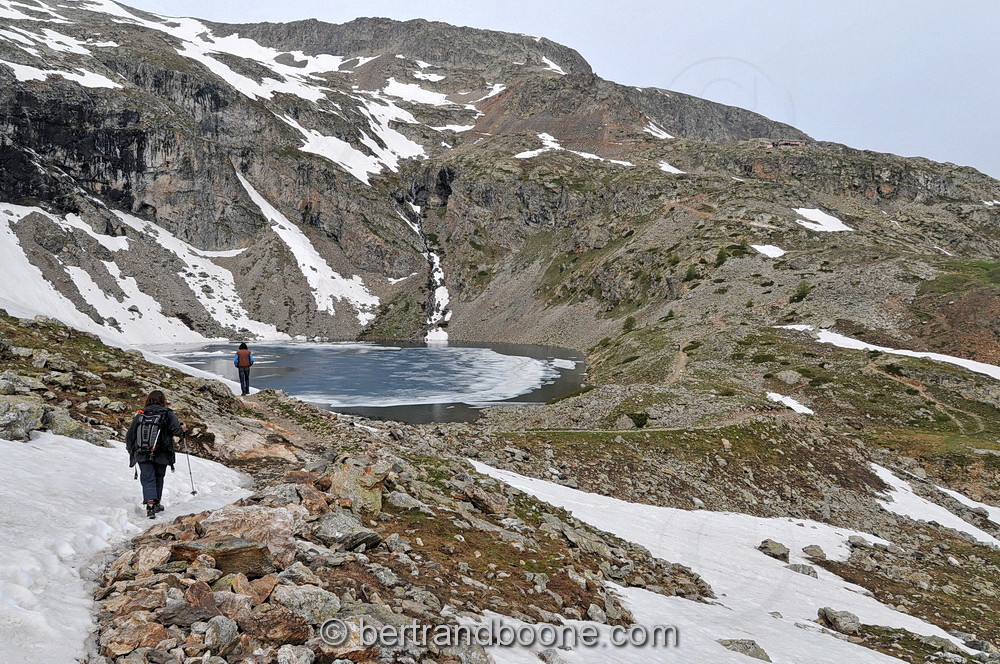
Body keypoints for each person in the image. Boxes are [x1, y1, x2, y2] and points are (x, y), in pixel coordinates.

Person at [125, 390, 185, 519]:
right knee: (158, 477)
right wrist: (183, 428)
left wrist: (131, 450)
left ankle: (150, 504)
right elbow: (176, 431)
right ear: (163, 400)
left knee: (147, 478)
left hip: (142, 452)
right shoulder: (167, 413)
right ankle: (156, 503)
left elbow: (131, 434)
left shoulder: (141, 414)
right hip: (161, 452)